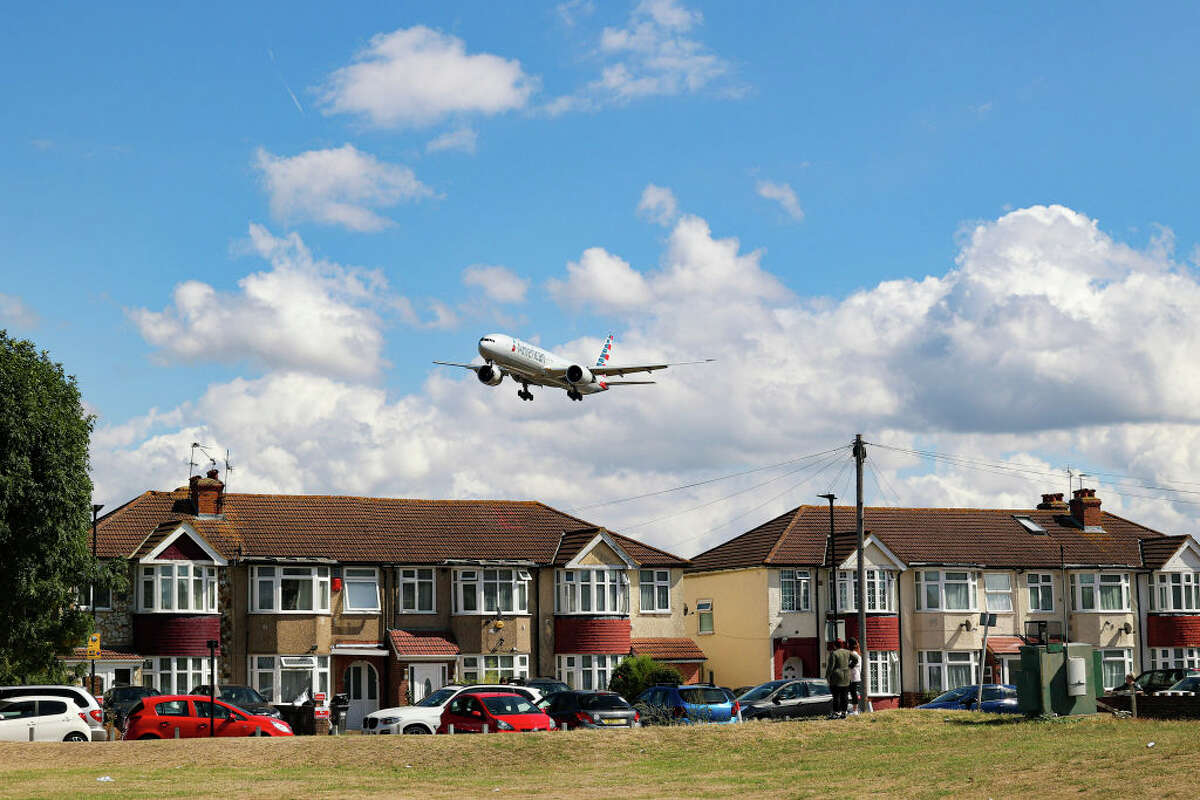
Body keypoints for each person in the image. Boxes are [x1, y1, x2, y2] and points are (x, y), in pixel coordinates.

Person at [825, 639, 853, 718]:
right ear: (842, 645)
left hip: (836, 677)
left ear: (835, 645)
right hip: (846, 676)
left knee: (836, 696)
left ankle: (836, 713)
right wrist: (849, 667)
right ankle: (844, 712)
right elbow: (856, 659)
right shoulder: (848, 652)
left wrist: (827, 676)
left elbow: (831, 666)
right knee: (845, 696)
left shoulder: (834, 653)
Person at [846, 637, 862, 713]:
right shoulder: (857, 654)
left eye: (848, 643)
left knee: (851, 693)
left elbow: (850, 665)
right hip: (855, 676)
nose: (847, 644)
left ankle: (854, 710)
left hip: (852, 677)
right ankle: (854, 710)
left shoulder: (853, 655)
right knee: (853, 693)